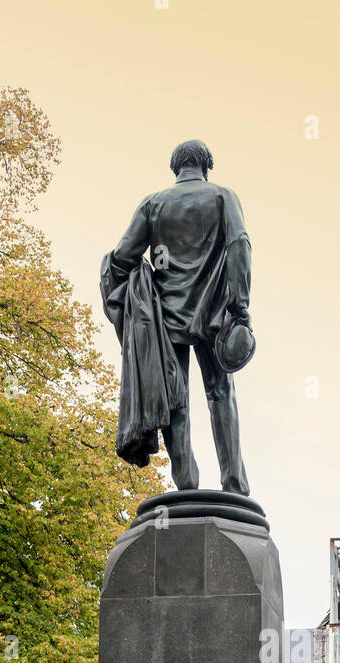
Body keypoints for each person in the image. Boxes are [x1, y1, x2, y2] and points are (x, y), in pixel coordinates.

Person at [104, 139, 252, 493]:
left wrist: (136, 292)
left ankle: (186, 484)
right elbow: (239, 246)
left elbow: (122, 256)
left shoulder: (154, 204)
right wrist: (241, 307)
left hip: (166, 316)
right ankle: (234, 485)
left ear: (176, 168)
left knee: (176, 398)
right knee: (221, 393)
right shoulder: (223, 197)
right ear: (206, 165)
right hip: (214, 314)